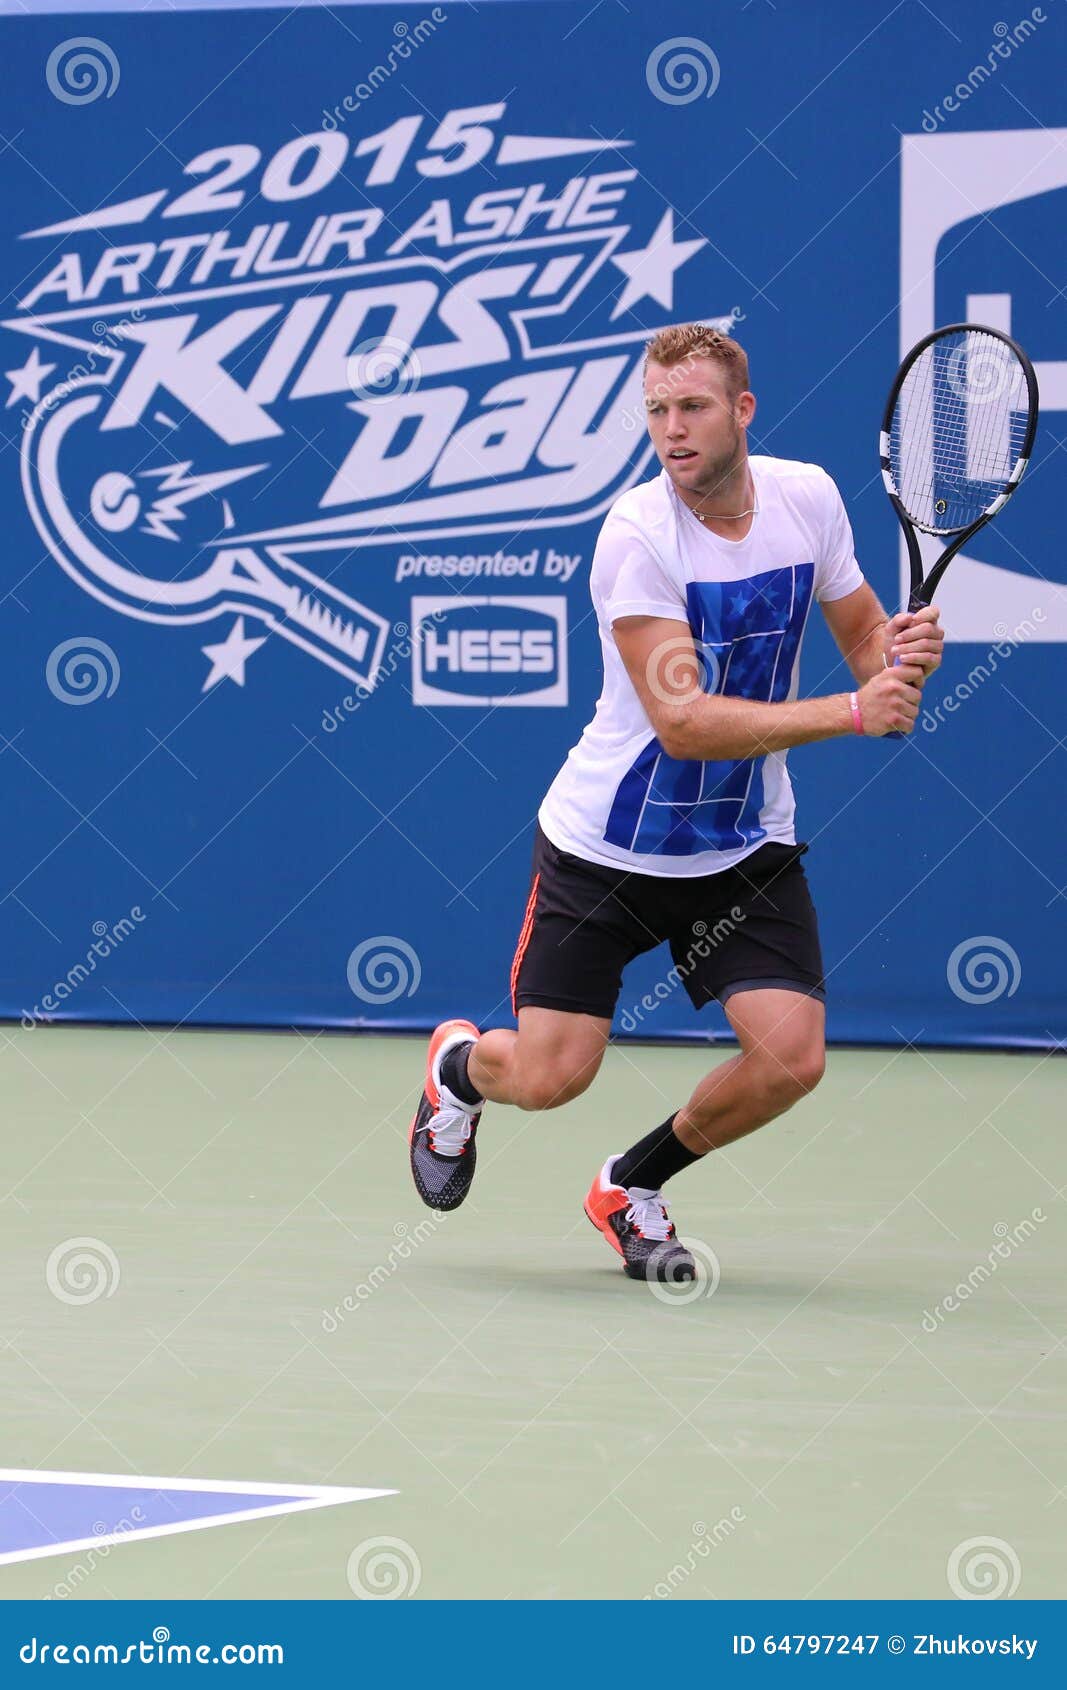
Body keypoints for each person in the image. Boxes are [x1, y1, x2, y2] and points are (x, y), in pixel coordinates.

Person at [408, 323, 944, 1282]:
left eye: (690, 406)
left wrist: (893, 663)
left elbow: (862, 631)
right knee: (549, 1077)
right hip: (604, 849)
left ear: (741, 410)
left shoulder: (807, 499)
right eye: (655, 411)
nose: (671, 429)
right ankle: (456, 1069)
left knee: (791, 1059)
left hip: (740, 847)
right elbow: (683, 723)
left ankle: (629, 1186)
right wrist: (856, 711)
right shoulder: (637, 536)